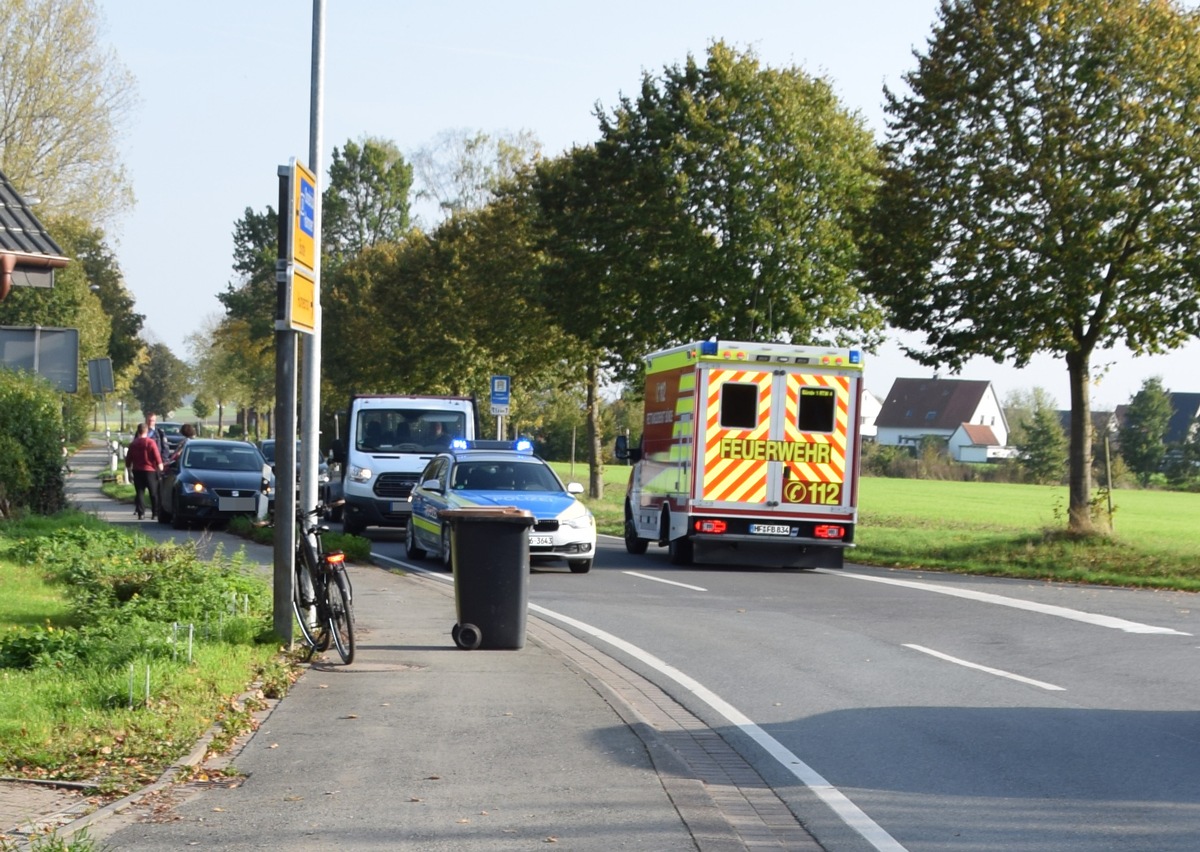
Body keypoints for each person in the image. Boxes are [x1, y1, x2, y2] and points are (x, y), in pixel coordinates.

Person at [125, 423, 164, 520]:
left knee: (140, 493)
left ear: (138, 431)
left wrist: (129, 467)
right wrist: (160, 466)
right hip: (150, 471)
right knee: (153, 493)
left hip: (137, 470)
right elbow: (157, 456)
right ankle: (155, 513)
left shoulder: (133, 444)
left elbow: (128, 459)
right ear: (147, 431)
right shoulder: (151, 443)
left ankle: (141, 513)